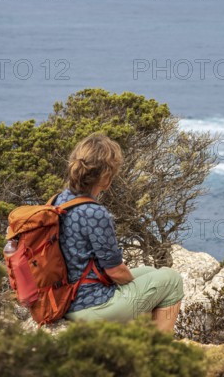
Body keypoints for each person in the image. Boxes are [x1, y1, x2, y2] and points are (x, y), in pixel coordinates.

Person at [53, 133, 184, 333]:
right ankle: (160, 355)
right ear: (106, 176)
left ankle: (139, 341)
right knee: (172, 280)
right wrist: (133, 289)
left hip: (67, 297)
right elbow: (115, 272)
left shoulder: (60, 200)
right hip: (91, 307)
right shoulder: (95, 213)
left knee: (151, 272)